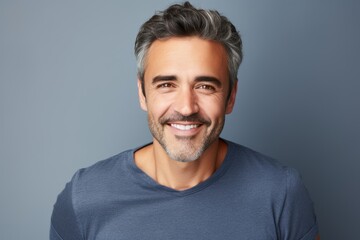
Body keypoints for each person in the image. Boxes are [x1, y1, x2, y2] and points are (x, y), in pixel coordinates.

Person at [50, 2, 319, 239]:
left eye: (205, 86)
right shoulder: (84, 199)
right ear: (142, 94)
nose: (186, 107)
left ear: (231, 96)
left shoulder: (281, 193)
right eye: (167, 84)